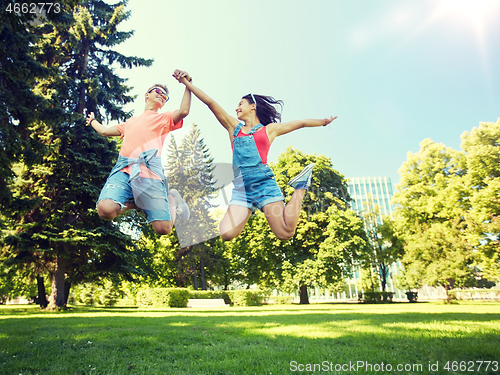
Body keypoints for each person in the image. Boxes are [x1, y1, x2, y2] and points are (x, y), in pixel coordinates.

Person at [172, 70, 337, 241]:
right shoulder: (233, 128)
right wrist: (187, 83)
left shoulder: (269, 130)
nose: (237, 107)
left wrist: (324, 122)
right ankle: (251, 208)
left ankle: (300, 186)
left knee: (285, 233)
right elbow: (210, 102)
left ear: (253, 106)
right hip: (242, 190)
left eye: (241, 103)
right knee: (226, 233)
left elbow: (301, 123)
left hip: (264, 185)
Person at [86, 73, 192, 235]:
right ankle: (137, 203)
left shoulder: (165, 118)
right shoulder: (130, 122)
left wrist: (187, 84)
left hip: (150, 174)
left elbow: (184, 111)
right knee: (105, 210)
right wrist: (92, 120)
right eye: (158, 91)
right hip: (124, 170)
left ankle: (172, 198)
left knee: (164, 229)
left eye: (165, 96)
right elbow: (105, 131)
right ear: (147, 95)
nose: (162, 96)